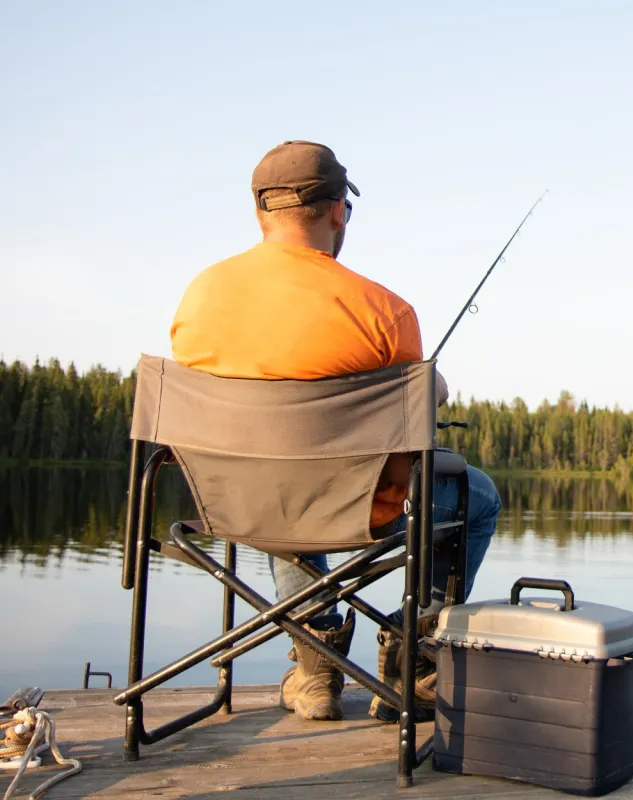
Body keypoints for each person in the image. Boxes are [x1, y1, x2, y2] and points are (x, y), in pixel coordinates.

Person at [169, 140, 500, 723]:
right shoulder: (383, 311)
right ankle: (410, 654)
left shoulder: (200, 297)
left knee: (279, 487)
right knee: (478, 497)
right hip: (356, 506)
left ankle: (315, 664)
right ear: (338, 211)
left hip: (234, 502)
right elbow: (419, 409)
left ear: (258, 212)